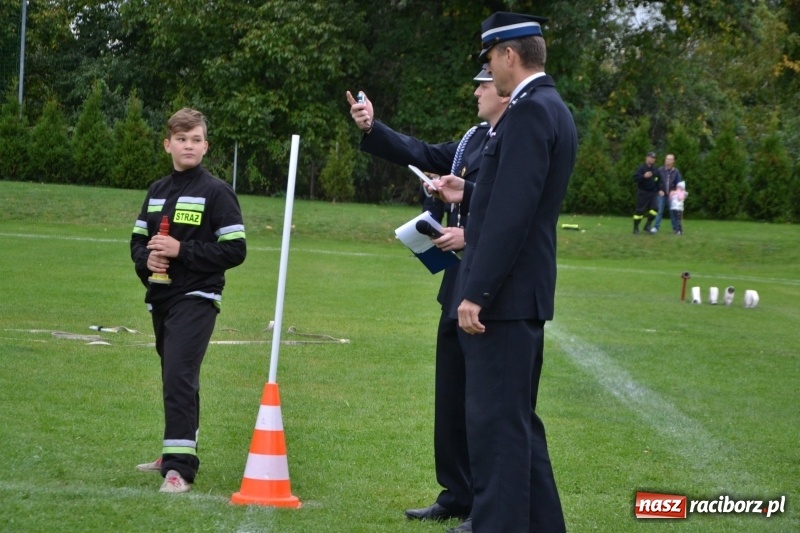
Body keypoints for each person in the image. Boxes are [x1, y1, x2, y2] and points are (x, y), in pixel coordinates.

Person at [346, 66, 510, 528]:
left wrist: (468, 232)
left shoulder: (517, 136)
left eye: (482, 82)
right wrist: (372, 126)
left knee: (481, 401)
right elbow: (419, 152)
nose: (476, 89)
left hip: (491, 285)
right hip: (455, 284)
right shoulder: (473, 138)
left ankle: (485, 504)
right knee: (451, 395)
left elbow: (512, 208)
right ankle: (456, 493)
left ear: (503, 89)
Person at [432, 11, 577, 532]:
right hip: (520, 294)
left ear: (510, 55)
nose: (489, 71)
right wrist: (466, 191)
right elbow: (508, 197)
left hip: (507, 296)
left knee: (495, 426)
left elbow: (514, 216)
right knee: (516, 425)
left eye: (491, 59)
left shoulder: (531, 112)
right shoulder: (543, 107)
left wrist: (479, 292)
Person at [130, 108, 247, 493]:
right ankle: (177, 449)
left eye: (196, 139)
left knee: (178, 375)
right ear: (168, 145)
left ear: (206, 145)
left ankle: (178, 470)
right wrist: (147, 259)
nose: (189, 145)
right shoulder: (157, 190)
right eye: (181, 139)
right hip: (161, 298)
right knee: (176, 376)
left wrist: (182, 250)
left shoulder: (217, 192)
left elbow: (235, 250)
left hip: (197, 297)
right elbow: (137, 242)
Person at [653, 153, 683, 233]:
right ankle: (656, 227)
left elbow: (679, 184)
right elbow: (655, 182)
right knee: (659, 211)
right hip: (661, 195)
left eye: (670, 159)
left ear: (673, 161)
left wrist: (674, 191)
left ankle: (676, 228)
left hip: (672, 196)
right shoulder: (660, 170)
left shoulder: (676, 172)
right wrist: (659, 190)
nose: (668, 161)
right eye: (667, 159)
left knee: (673, 212)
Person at [632, 151, 660, 234]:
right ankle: (636, 228)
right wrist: (643, 176)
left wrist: (658, 189)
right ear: (647, 158)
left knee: (655, 209)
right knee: (640, 211)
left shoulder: (655, 169)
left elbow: (658, 179)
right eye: (651, 157)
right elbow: (635, 178)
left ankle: (647, 225)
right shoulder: (641, 168)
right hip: (643, 193)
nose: (652, 159)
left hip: (652, 193)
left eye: (654, 158)